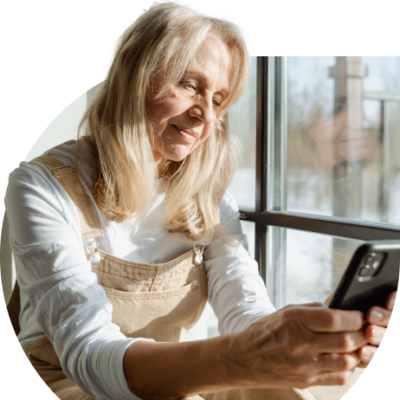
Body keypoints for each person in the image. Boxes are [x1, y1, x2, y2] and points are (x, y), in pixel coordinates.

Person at [3, 1, 400, 400]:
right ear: (133, 76)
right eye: (190, 85)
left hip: (177, 375)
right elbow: (87, 353)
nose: (204, 117)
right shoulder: (40, 187)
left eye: (217, 100)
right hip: (70, 380)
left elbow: (246, 318)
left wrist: (324, 326)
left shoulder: (208, 199)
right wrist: (240, 359)